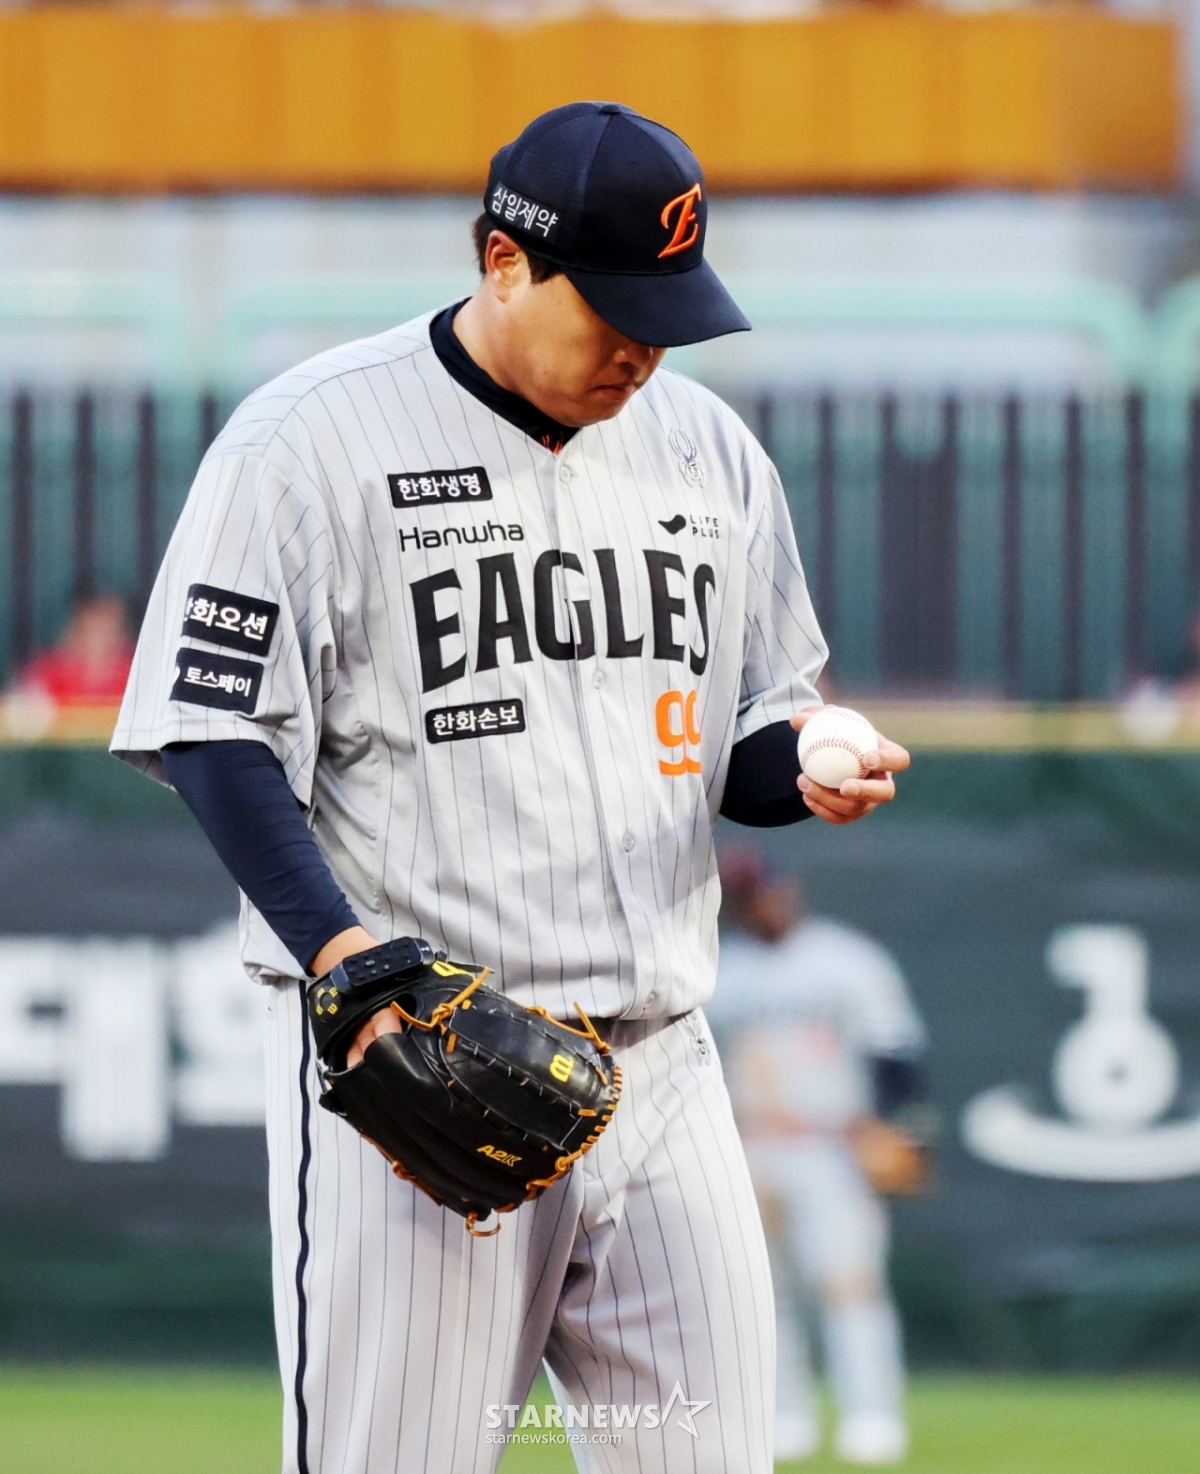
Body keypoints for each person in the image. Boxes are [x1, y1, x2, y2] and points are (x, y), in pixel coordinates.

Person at [111, 101, 909, 1474]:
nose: (643, 348)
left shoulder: (707, 447)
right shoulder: (308, 439)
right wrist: (344, 958)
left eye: (668, 312)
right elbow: (213, 730)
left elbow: (745, 737)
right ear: (502, 260)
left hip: (663, 1068)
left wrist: (808, 765)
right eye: (614, 309)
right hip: (420, 1059)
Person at [709, 848, 928, 1466]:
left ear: (789, 889)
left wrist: (892, 1127)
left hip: (832, 1145)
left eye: (761, 891)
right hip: (746, 1145)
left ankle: (872, 1415)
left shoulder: (846, 961)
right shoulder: (719, 970)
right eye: (742, 896)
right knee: (761, 1292)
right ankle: (785, 1417)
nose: (756, 905)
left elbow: (897, 1055)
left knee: (849, 1284)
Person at [13, 591, 133, 707]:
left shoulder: (133, 676)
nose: (98, 639)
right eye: (92, 629)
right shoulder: (46, 671)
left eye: (107, 631)